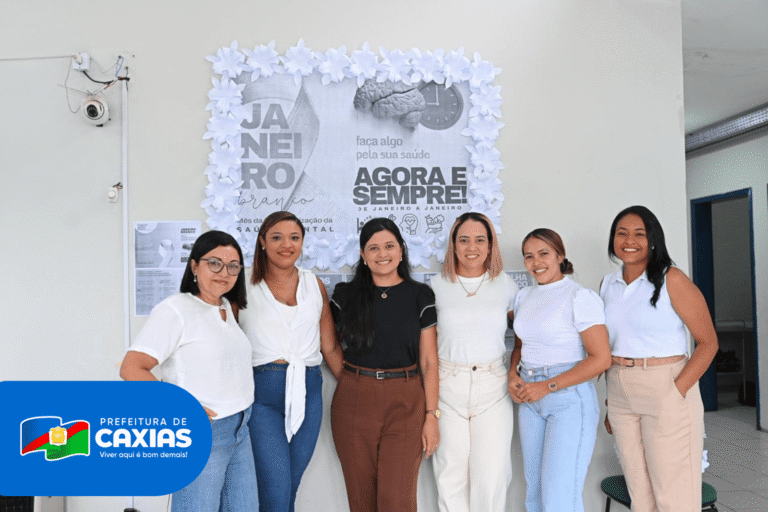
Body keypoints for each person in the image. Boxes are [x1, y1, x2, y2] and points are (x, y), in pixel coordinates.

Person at [120, 230, 257, 512]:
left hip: (241, 428)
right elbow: (132, 367)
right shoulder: (175, 309)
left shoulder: (226, 308)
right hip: (204, 432)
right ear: (195, 266)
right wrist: (180, 406)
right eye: (214, 263)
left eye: (233, 266)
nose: (224, 272)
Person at [601, 206, 718, 512]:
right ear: (613, 239)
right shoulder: (607, 285)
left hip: (666, 384)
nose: (629, 240)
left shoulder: (672, 279)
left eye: (640, 234)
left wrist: (676, 392)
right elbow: (609, 344)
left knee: (674, 496)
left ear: (653, 240)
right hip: (620, 390)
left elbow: (708, 343)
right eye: (621, 233)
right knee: (640, 496)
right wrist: (610, 404)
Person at [329, 217, 439, 512]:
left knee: (397, 500)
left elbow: (429, 360)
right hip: (354, 400)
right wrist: (356, 379)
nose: (382, 253)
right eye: (373, 248)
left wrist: (432, 415)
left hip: (406, 401)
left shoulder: (420, 295)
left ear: (401, 250)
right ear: (363, 256)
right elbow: (329, 345)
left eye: (389, 245)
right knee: (361, 500)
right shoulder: (344, 296)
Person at [238, 211, 343, 512]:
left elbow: (331, 347)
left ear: (302, 242)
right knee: (275, 489)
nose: (287, 245)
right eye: (277, 237)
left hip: (308, 392)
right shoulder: (241, 284)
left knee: (289, 488)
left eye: (294, 238)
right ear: (262, 242)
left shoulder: (314, 285)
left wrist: (354, 387)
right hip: (262, 397)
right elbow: (226, 339)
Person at [509, 228, 612, 512]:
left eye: (544, 253)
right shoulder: (523, 297)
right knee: (536, 495)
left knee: (559, 498)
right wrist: (512, 376)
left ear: (560, 255)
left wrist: (548, 386)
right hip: (530, 397)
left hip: (568, 399)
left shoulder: (580, 296)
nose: (536, 262)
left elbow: (601, 358)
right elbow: (521, 346)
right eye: (528, 256)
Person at [430, 212, 518, 512]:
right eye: (464, 239)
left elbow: (527, 332)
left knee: (491, 476)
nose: (472, 247)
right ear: (453, 245)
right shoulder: (435, 286)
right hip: (447, 386)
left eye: (480, 239)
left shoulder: (506, 286)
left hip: (492, 386)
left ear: (491, 245)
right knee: (450, 476)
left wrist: (517, 369)